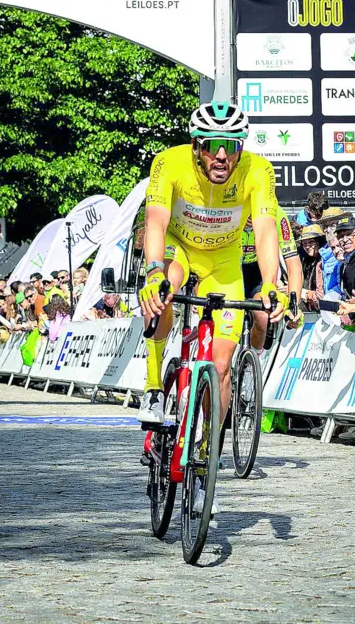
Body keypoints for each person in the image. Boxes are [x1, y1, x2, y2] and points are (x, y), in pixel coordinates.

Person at [138, 102, 289, 506]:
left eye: (231, 145)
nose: (221, 155)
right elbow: (155, 221)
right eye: (212, 146)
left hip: (224, 261)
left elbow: (265, 230)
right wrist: (153, 271)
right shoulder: (168, 163)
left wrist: (272, 284)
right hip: (179, 249)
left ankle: (207, 452)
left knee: (221, 365)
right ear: (196, 145)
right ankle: (155, 386)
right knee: (164, 288)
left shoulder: (258, 170)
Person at [242, 211, 301, 349]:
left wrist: (294, 307)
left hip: (258, 272)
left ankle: (251, 361)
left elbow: (294, 266)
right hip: (230, 269)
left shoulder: (277, 215)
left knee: (263, 318)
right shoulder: (230, 209)